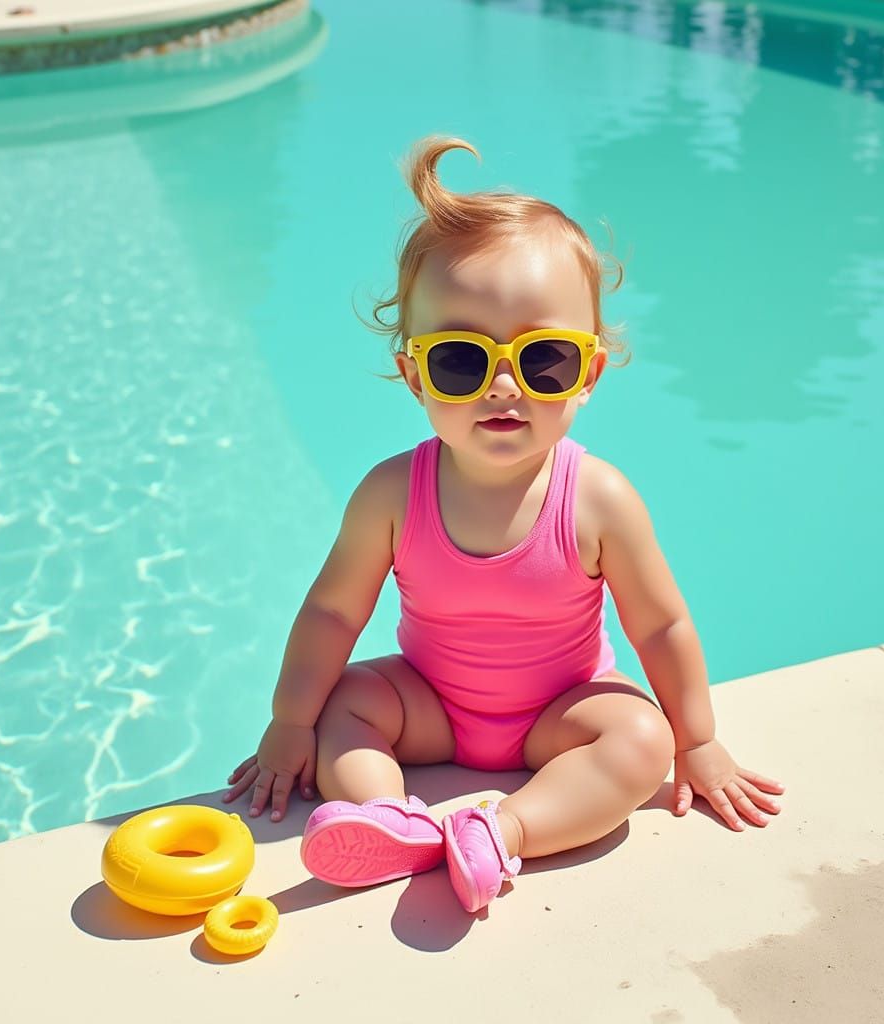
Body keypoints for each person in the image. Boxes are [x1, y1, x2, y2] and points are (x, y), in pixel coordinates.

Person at [224, 136, 785, 913]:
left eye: (543, 359)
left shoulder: (598, 498)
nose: (503, 386)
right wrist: (288, 721)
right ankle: (388, 817)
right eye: (462, 361)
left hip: (562, 712)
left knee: (640, 740)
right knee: (344, 704)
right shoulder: (393, 492)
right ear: (416, 372)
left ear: (586, 374)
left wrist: (697, 741)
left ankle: (502, 833)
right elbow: (332, 611)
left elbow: (661, 627)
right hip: (431, 704)